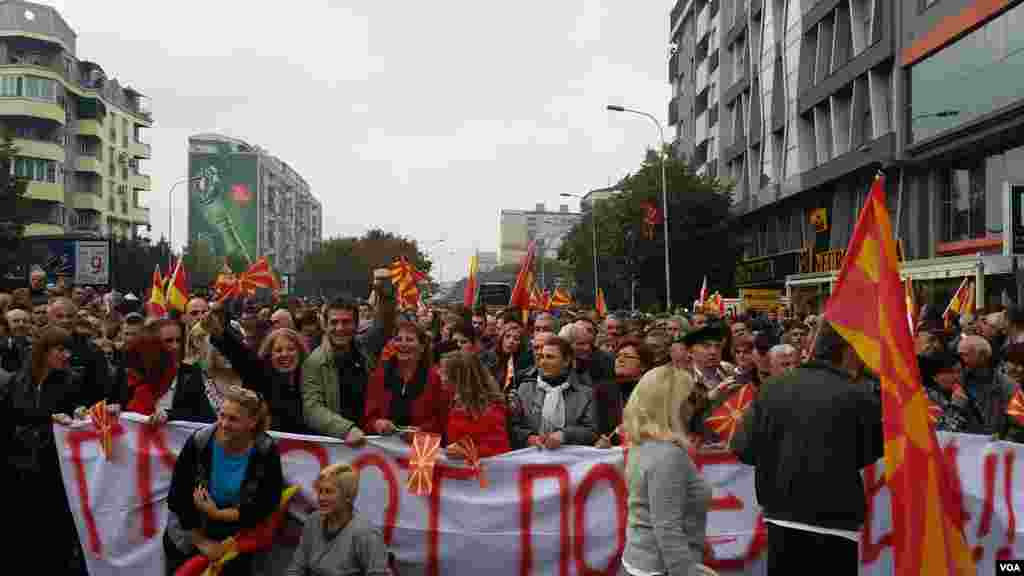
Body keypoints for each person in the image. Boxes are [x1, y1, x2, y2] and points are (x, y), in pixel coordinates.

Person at [730, 322, 883, 575]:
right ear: (848, 352)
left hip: (781, 516)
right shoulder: (859, 395)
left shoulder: (772, 388)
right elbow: (871, 451)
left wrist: (778, 460)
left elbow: (743, 448)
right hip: (836, 520)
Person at [164, 385, 284, 576]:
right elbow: (177, 498)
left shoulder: (266, 450)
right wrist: (202, 542)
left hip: (234, 539)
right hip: (190, 535)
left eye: (233, 419)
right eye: (221, 415)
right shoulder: (199, 441)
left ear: (252, 422)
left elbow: (266, 504)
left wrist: (219, 514)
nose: (224, 423)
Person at [621, 365, 714, 576]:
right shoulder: (667, 455)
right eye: (690, 399)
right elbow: (667, 528)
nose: (694, 407)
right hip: (659, 567)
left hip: (644, 560)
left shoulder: (643, 444)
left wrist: (698, 543)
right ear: (672, 405)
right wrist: (687, 571)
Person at [303, 270, 395, 444]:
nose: (340, 328)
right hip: (337, 446)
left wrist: (387, 295)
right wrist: (346, 429)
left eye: (346, 322)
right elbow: (312, 409)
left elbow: (385, 325)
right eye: (334, 322)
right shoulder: (314, 362)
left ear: (357, 324)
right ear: (325, 324)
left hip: (372, 444)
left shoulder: (365, 348)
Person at [286, 463, 391, 576]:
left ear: (347, 496)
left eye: (329, 492)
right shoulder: (313, 521)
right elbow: (297, 565)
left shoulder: (366, 534)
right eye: (320, 491)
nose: (321, 498)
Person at [364, 318, 448, 438]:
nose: (403, 344)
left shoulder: (434, 379)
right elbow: (368, 418)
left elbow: (440, 422)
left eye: (409, 340)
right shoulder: (379, 375)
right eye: (398, 339)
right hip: (385, 449)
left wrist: (420, 431)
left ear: (422, 347)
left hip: (419, 450)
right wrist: (377, 424)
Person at [510, 335, 596, 449]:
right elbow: (511, 427)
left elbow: (592, 432)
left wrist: (564, 435)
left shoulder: (585, 394)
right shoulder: (525, 389)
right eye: (541, 357)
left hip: (569, 462)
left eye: (550, 357)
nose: (543, 362)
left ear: (566, 361)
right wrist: (529, 438)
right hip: (531, 458)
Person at [443, 350, 511, 458]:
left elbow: (499, 450)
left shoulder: (491, 411)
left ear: (459, 378)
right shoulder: (454, 400)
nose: (442, 377)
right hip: (457, 470)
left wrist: (468, 452)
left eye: (445, 373)